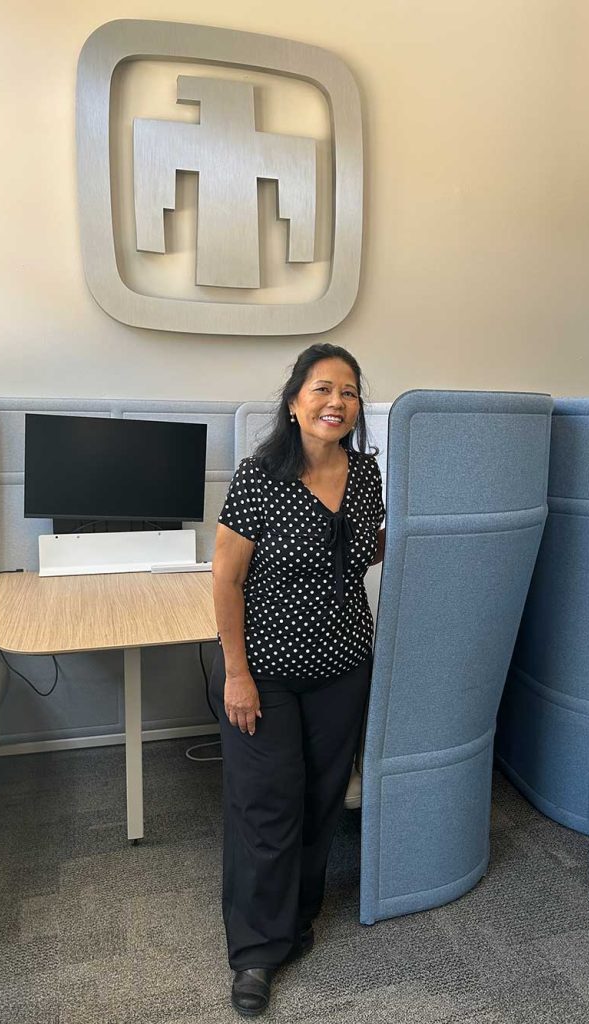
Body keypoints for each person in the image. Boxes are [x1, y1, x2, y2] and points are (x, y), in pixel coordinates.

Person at [210, 343, 386, 1016]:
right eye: (321, 388)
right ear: (294, 401)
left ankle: (296, 919)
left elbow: (368, 546)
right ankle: (256, 953)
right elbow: (225, 577)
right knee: (267, 806)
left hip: (343, 667)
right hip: (266, 674)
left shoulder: (366, 476)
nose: (336, 400)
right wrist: (237, 675)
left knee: (319, 802)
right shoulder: (260, 478)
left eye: (348, 390)